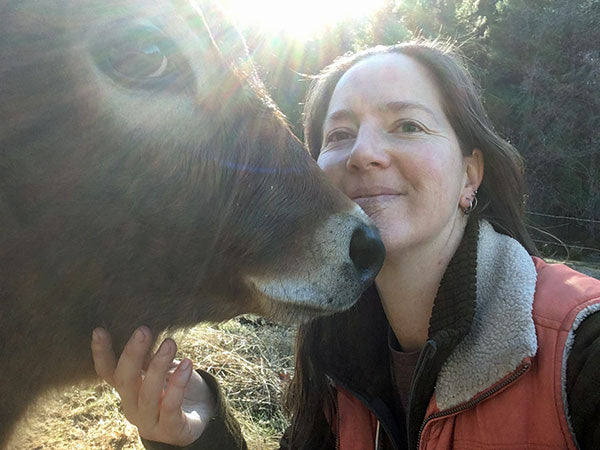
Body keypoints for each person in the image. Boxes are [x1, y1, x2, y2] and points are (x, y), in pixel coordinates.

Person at [91, 40, 600, 449]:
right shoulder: (334, 356)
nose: (364, 153)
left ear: (470, 174)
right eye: (339, 135)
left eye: (407, 125)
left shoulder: (582, 350)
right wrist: (197, 430)